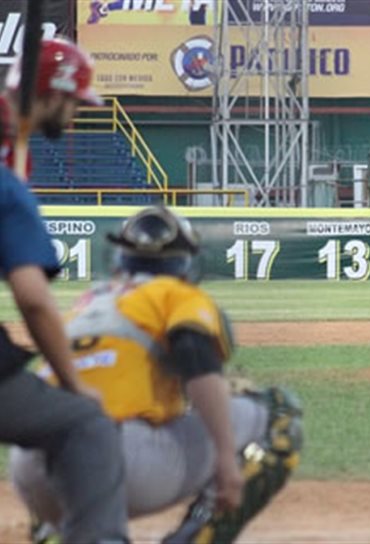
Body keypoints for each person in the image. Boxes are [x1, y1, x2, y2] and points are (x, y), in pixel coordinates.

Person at [10, 206, 304, 544]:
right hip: (111, 462)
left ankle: (53, 533)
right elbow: (195, 359)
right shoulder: (175, 294)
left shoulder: (87, 302)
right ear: (185, 263)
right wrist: (225, 457)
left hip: (29, 469)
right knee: (279, 413)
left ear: (120, 257)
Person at [0, 37, 128, 544]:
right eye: (74, 100)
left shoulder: (14, 159)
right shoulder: (10, 183)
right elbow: (33, 299)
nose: (76, 112)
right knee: (84, 422)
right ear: (50, 95)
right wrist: (75, 383)